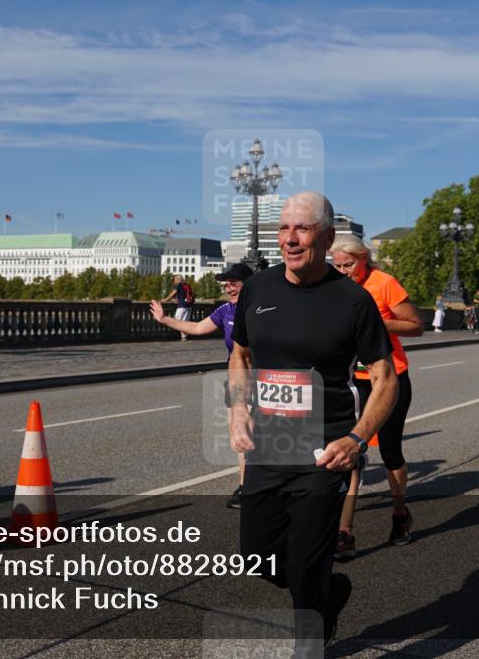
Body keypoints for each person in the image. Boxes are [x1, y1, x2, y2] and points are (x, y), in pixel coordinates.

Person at [228, 192, 397, 651]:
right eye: (284, 229)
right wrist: (238, 408)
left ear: (324, 237)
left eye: (301, 229)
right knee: (258, 560)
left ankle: (311, 638)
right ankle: (329, 593)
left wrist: (357, 439)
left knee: (305, 563)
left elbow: (385, 378)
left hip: (326, 451)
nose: (290, 238)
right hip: (269, 447)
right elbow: (240, 354)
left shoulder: (352, 301)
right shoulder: (258, 289)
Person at [329, 234, 422, 559]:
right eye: (337, 265)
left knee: (390, 450)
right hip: (354, 381)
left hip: (391, 378)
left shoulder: (384, 283)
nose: (343, 271)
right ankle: (344, 532)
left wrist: (378, 324)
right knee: (349, 453)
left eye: (349, 265)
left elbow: (416, 326)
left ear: (364, 258)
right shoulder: (333, 287)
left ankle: (400, 515)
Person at [150, 262, 254, 507]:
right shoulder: (226, 310)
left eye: (234, 283)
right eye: (226, 284)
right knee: (239, 435)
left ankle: (268, 485)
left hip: (263, 379)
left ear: (248, 285)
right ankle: (245, 486)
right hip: (236, 379)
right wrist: (165, 319)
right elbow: (197, 327)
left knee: (264, 436)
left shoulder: (261, 309)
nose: (229, 288)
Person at [161, 275, 193, 340]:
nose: (174, 281)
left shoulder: (179, 285)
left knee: (177, 320)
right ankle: (184, 336)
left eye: (175, 279)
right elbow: (185, 295)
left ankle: (183, 334)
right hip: (189, 306)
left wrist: (166, 300)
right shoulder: (187, 285)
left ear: (178, 279)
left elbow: (173, 293)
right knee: (185, 322)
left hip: (182, 306)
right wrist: (176, 300)